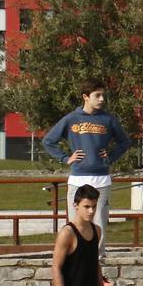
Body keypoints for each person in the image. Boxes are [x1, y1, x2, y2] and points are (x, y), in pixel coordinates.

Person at [42, 81, 131, 272]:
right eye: (97, 95)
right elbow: (48, 141)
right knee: (75, 224)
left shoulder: (109, 119)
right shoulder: (71, 119)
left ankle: (98, 270)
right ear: (85, 97)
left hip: (101, 180)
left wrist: (111, 156)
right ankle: (73, 265)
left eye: (103, 95)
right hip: (77, 180)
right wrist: (66, 158)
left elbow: (125, 141)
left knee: (98, 224)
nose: (102, 99)